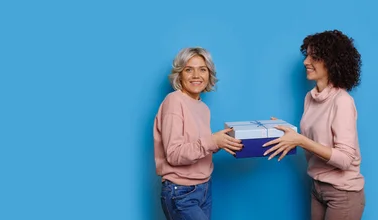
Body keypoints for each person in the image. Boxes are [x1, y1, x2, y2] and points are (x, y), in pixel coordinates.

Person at [263, 30, 365, 220]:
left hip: (342, 193)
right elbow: (315, 135)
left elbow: (344, 160)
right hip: (317, 187)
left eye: (314, 57)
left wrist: (300, 140)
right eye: (307, 55)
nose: (306, 62)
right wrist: (287, 130)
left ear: (332, 62)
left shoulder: (342, 101)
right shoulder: (310, 97)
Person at [153, 47, 243, 220]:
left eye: (202, 69)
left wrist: (221, 142)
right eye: (189, 69)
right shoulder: (174, 101)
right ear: (180, 74)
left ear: (209, 74)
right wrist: (212, 141)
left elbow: (197, 145)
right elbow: (174, 154)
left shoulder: (203, 108)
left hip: (204, 188)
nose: (196, 75)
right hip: (182, 192)